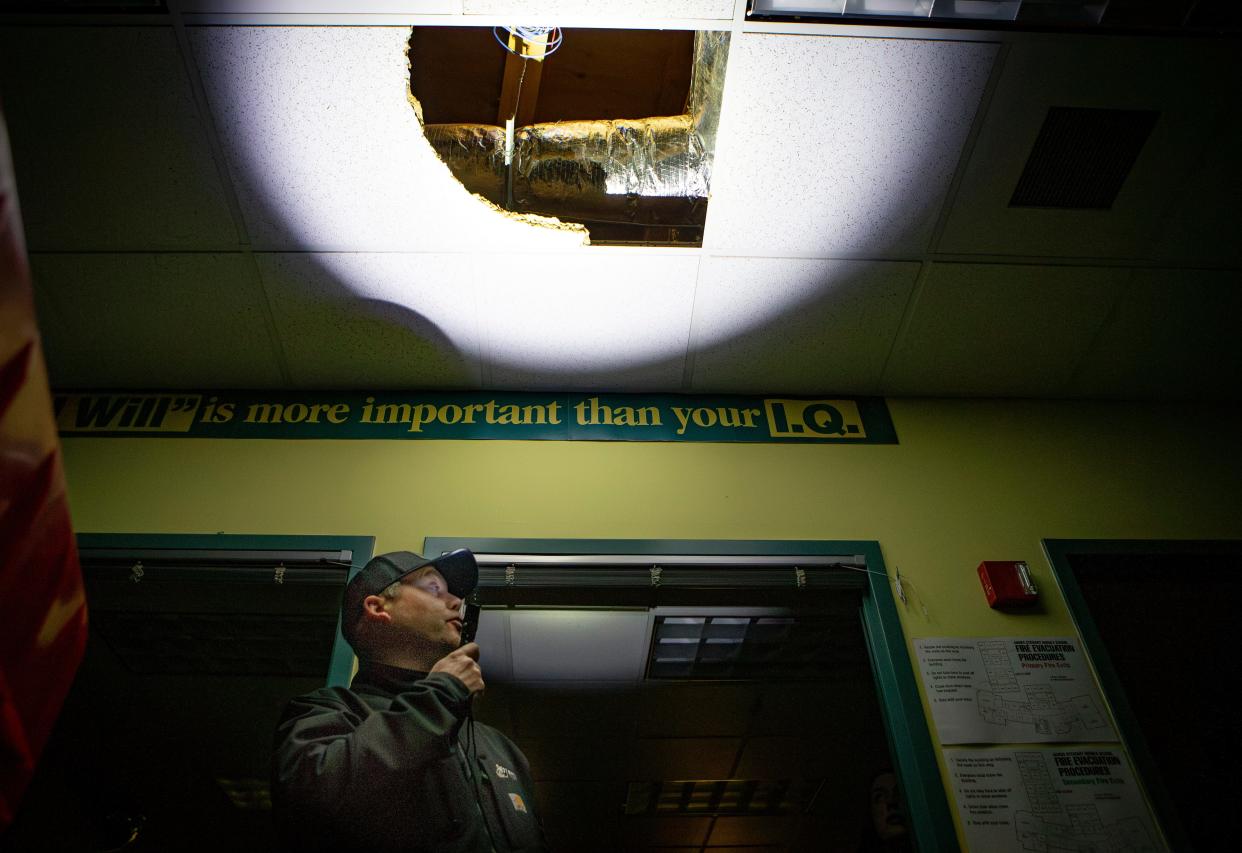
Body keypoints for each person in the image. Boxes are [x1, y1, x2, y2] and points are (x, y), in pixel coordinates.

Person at [272, 549, 548, 852]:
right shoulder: (326, 712)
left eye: (454, 594)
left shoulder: (501, 748)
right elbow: (315, 803)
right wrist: (442, 693)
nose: (456, 601)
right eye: (433, 589)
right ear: (378, 607)